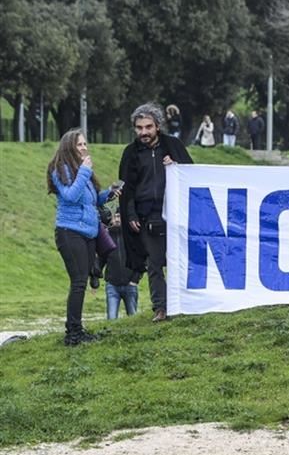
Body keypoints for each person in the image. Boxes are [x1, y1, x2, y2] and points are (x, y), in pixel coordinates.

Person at [119, 103, 193, 323]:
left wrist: (176, 165)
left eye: (148, 127)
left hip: (175, 214)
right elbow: (126, 188)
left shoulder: (173, 145)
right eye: (139, 128)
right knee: (154, 263)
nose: (144, 132)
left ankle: (183, 303)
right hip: (146, 216)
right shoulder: (130, 153)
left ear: (158, 126)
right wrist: (130, 214)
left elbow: (192, 173)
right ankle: (160, 307)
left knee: (178, 260)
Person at [47, 129, 119, 345]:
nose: (84, 148)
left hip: (88, 232)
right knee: (78, 282)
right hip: (70, 232)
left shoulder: (80, 172)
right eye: (79, 144)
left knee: (82, 281)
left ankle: (76, 328)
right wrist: (85, 172)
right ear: (69, 146)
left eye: (85, 144)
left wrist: (109, 193)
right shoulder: (60, 169)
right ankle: (73, 334)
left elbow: (90, 200)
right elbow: (70, 196)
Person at [99, 211, 141, 320]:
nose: (117, 219)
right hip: (112, 286)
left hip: (130, 285)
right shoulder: (106, 238)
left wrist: (135, 280)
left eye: (119, 216)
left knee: (133, 319)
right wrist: (95, 278)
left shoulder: (132, 237)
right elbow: (101, 260)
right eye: (114, 217)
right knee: (111, 318)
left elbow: (141, 260)